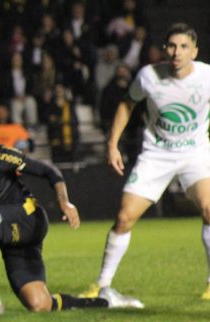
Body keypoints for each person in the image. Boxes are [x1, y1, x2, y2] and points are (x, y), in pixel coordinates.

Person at [81, 23, 210, 303]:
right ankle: (102, 284)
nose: (177, 52)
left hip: (195, 154)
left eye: (184, 46)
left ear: (195, 52)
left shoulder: (207, 77)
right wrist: (112, 144)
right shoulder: (149, 76)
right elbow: (127, 104)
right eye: (172, 46)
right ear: (165, 49)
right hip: (157, 155)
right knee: (124, 217)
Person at [0, 145, 111, 317]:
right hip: (9, 237)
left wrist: (64, 202)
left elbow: (49, 171)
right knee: (39, 303)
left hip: (27, 218)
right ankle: (103, 301)